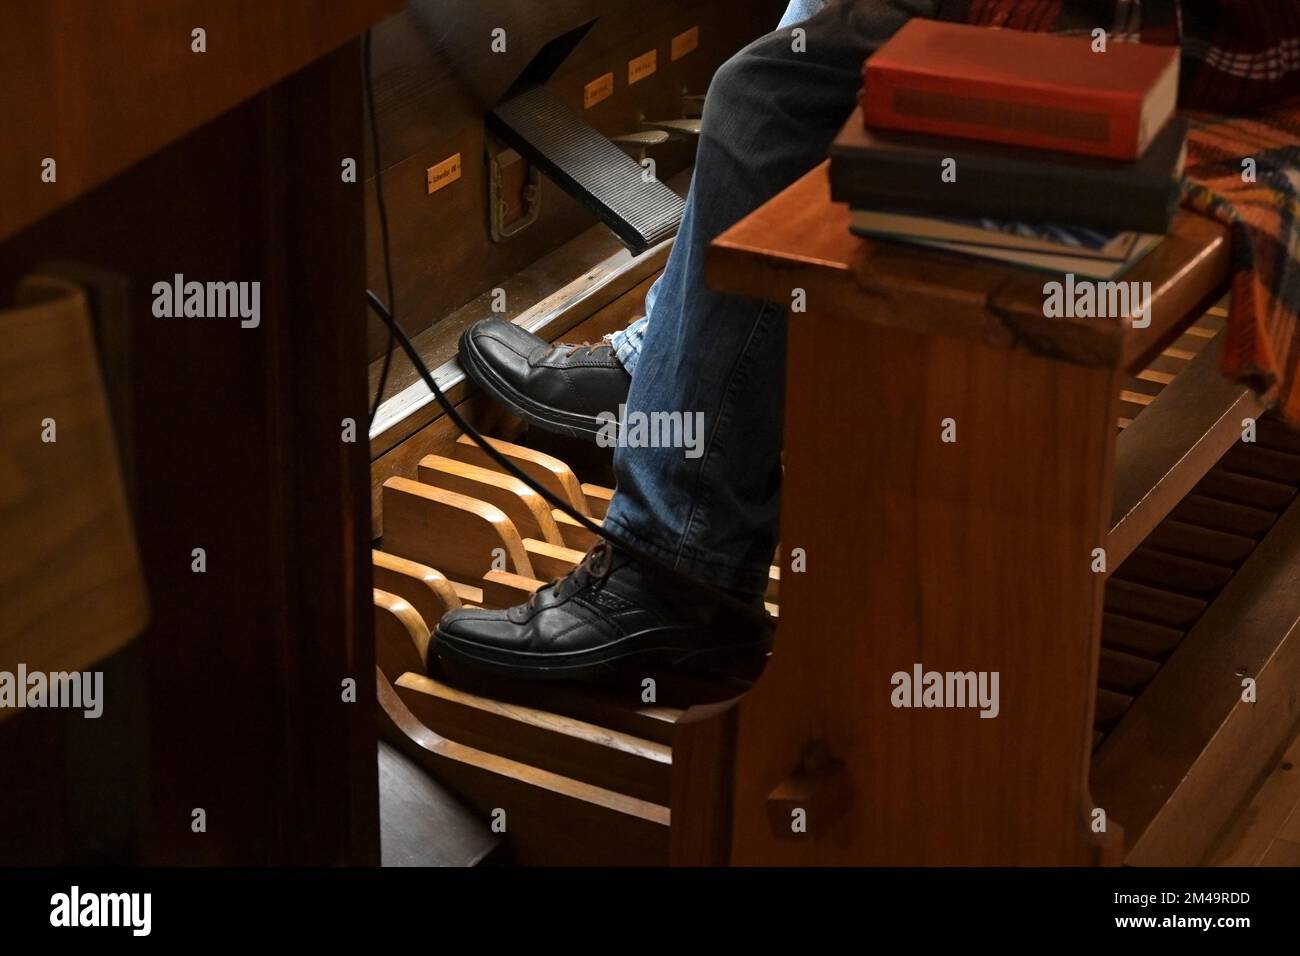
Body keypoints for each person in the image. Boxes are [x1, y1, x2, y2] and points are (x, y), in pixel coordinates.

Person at [437, 0, 1300, 680]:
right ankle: (671, 364)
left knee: (764, 95)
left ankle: (679, 569)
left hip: (1196, 38)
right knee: (822, 17)